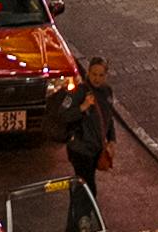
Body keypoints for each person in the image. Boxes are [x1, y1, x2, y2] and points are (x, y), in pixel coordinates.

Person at [60, 55, 116, 224]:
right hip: (80, 149)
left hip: (95, 149)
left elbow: (108, 118)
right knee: (88, 188)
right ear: (88, 73)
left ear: (106, 75)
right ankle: (82, 221)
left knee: (82, 187)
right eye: (94, 74)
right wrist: (82, 107)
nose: (97, 78)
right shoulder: (79, 92)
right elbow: (63, 115)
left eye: (101, 75)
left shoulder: (107, 92)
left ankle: (75, 224)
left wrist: (111, 140)